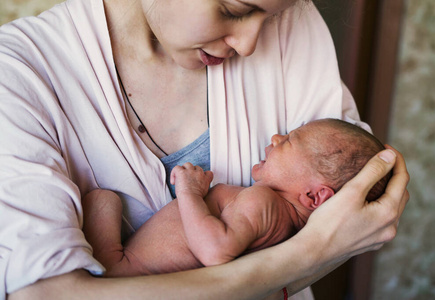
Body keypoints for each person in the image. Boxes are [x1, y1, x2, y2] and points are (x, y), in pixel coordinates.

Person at [0, 0, 409, 299]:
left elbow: (358, 211)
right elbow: (47, 295)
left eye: (269, 16)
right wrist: (308, 254)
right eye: (233, 9)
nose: (251, 44)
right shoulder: (18, 73)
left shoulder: (292, 21)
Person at [83, 118, 392, 277]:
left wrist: (189, 191)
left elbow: (215, 252)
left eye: (290, 140)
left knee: (101, 198)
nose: (277, 137)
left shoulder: (264, 203)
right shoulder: (284, 230)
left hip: (125, 273)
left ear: (314, 196)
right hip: (132, 274)